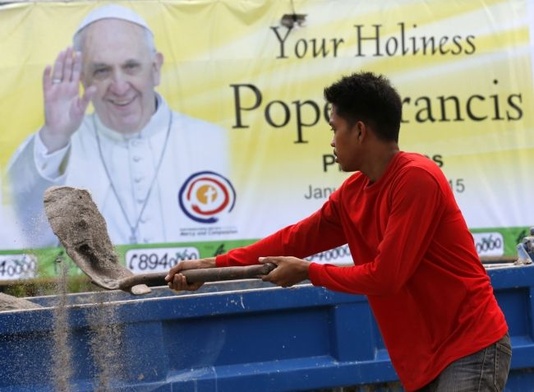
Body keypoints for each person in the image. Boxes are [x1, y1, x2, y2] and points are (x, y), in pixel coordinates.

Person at [166, 72, 512, 391]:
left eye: (334, 129)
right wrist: (212, 267)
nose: (331, 141)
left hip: (469, 344)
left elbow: (387, 276)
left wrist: (309, 272)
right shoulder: (352, 194)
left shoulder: (416, 178)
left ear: (360, 131)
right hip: (423, 361)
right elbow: (294, 239)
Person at [7, 4, 229, 248]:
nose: (119, 86)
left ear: (155, 68)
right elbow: (22, 222)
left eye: (131, 66)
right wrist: (55, 134)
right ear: (83, 78)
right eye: (102, 71)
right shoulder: (54, 145)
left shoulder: (215, 141)